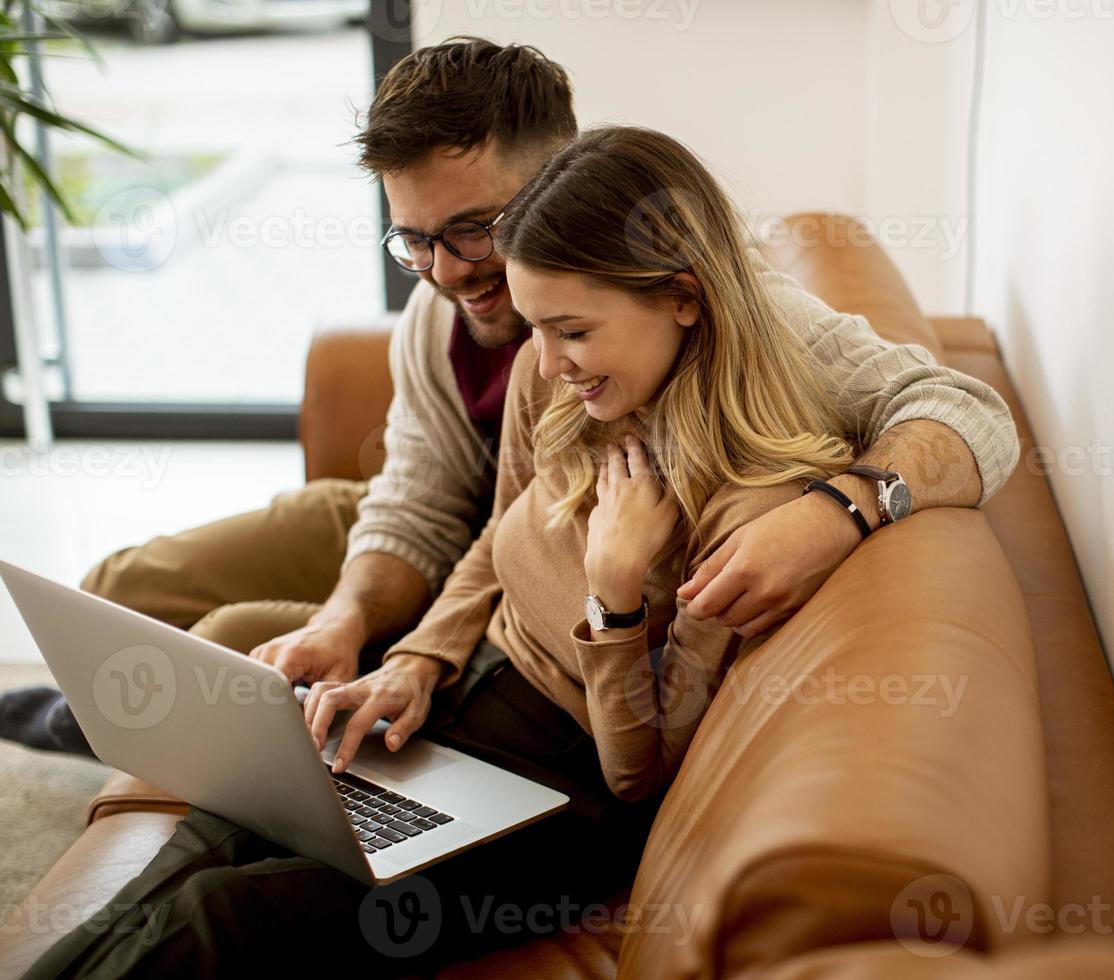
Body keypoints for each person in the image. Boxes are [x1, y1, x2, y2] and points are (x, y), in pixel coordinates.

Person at [23, 123, 965, 976]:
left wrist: (616, 597)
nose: (545, 360)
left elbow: (637, 774)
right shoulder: (557, 381)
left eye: (572, 330)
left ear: (684, 297)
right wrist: (419, 664)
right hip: (464, 705)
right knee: (217, 822)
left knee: (219, 919)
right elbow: (492, 539)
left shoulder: (745, 506)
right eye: (539, 326)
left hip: (560, 801)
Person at [1, 37, 1017, 758]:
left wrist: (841, 507)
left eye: (474, 228)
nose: (445, 269)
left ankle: (119, 736)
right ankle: (90, 723)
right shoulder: (432, 319)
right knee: (124, 581)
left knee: (229, 646)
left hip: (548, 571)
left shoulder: (716, 304)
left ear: (558, 179)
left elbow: (970, 413)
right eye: (415, 238)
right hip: (464, 540)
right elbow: (419, 500)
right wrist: (353, 617)